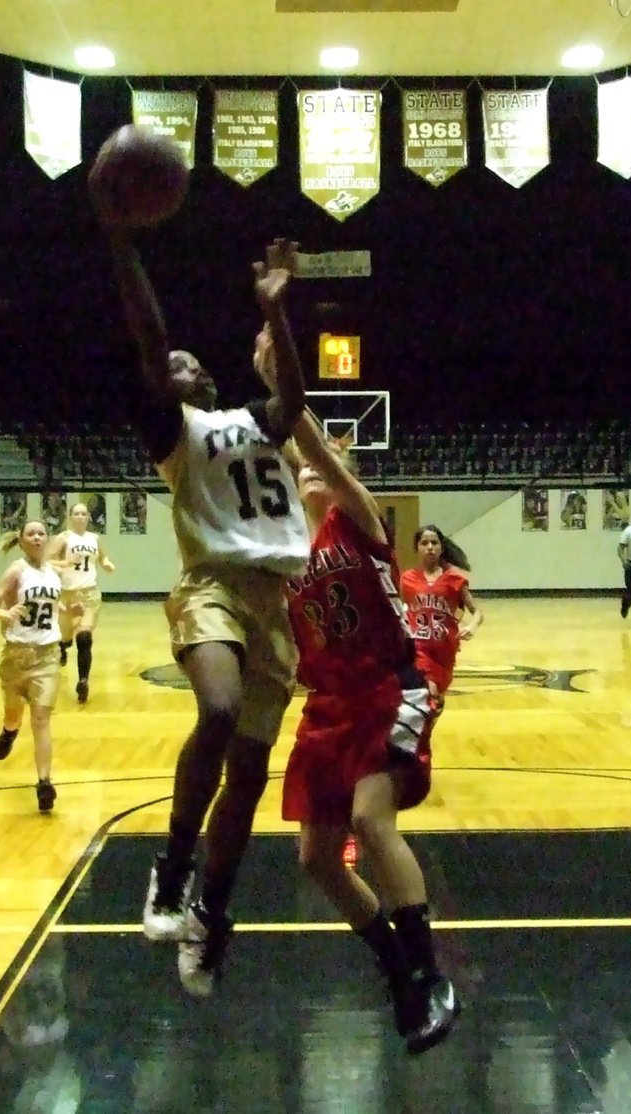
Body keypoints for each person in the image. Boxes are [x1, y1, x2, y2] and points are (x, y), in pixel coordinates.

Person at [93, 179, 311, 996]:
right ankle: (171, 865)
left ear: (211, 378)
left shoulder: (255, 423)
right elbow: (149, 338)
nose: (176, 365)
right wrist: (121, 242)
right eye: (168, 365)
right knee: (217, 711)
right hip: (211, 584)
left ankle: (211, 913)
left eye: (189, 361)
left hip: (275, 601)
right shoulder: (172, 432)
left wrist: (278, 311)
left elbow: (293, 396)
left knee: (249, 781)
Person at [281, 408, 460, 1056]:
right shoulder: (286, 552)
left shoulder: (355, 517)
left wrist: (284, 388)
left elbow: (318, 453)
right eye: (298, 466)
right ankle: (395, 967)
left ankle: (433, 975)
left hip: (387, 688)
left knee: (370, 820)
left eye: (317, 463)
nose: (307, 469)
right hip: (330, 705)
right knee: (315, 859)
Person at [0, 520, 75, 812]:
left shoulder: (53, 574)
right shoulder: (16, 571)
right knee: (14, 714)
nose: (37, 538)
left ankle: (44, 783)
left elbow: (53, 606)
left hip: (47, 655)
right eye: (31, 534)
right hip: (16, 656)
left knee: (41, 720)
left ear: (47, 540)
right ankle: (10, 731)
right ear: (21, 541)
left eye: (41, 533)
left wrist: (70, 610)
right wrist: (4, 612)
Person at [399, 525, 483, 700]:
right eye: (424, 543)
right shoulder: (407, 579)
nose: (430, 547)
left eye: (434, 542)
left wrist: (472, 626)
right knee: (428, 691)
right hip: (418, 649)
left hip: (445, 651)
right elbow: (397, 608)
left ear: (441, 548)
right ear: (417, 548)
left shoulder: (455, 580)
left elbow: (477, 612)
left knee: (436, 698)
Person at [48, 502, 116, 703]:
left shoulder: (94, 538)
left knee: (84, 637)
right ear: (70, 517)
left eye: (83, 513)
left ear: (88, 518)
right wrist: (64, 564)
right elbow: (47, 561)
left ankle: (83, 681)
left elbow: (102, 558)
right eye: (76, 513)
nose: (79, 516)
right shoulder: (64, 538)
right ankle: (62, 648)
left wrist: (107, 564)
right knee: (65, 637)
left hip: (89, 594)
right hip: (66, 594)